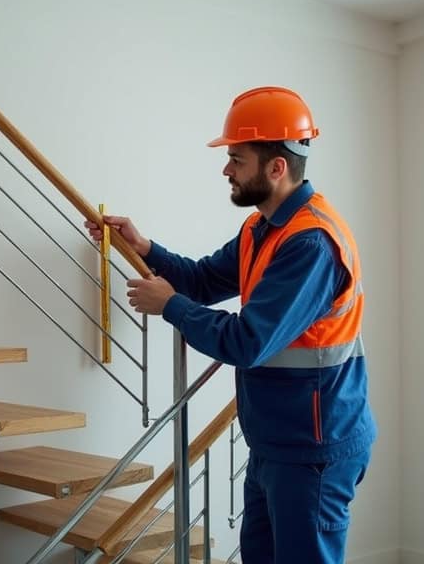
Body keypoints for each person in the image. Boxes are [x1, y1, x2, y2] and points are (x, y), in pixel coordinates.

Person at [85, 86, 376, 564]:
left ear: (276, 167)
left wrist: (172, 306)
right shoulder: (261, 227)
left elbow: (248, 341)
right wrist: (146, 249)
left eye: (236, 159)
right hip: (273, 442)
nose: (226, 169)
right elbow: (202, 279)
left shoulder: (311, 243)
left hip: (314, 451)